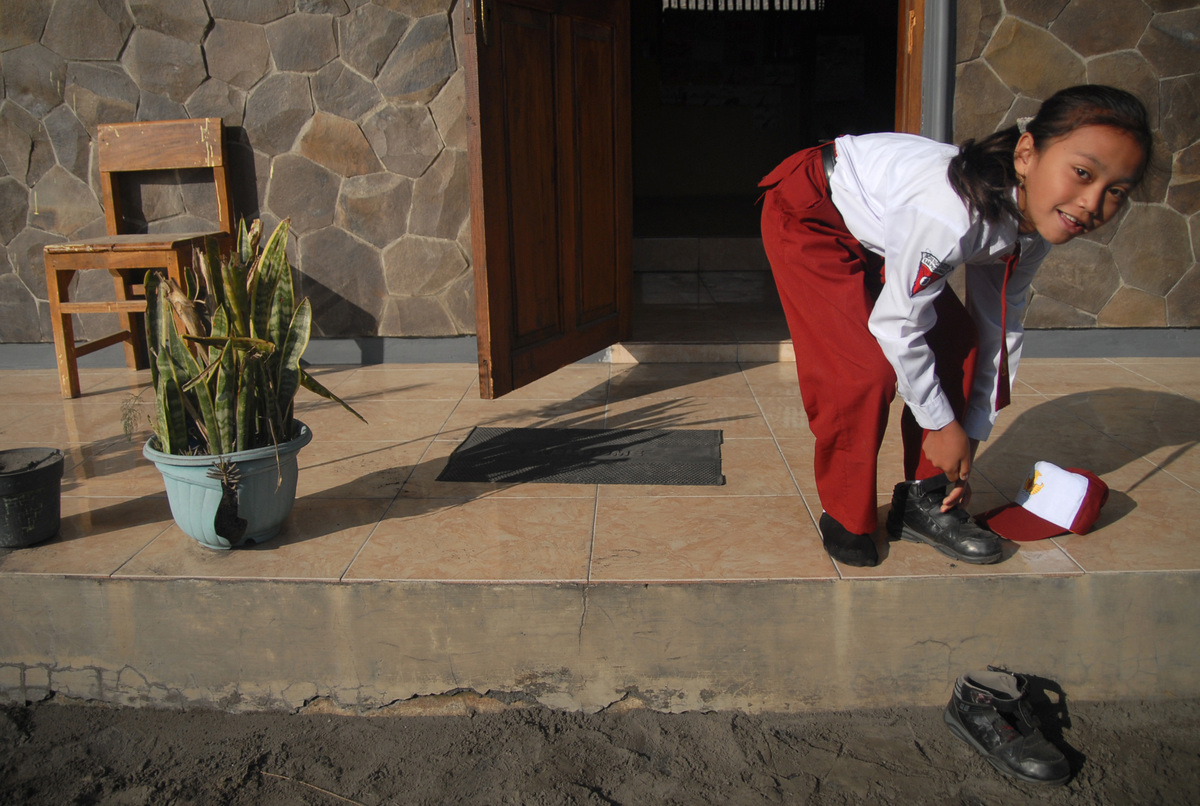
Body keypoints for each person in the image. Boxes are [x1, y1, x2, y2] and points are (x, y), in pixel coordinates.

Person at [758, 85, 1152, 568]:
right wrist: (941, 425)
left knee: (961, 344)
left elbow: (996, 331)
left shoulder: (1032, 232)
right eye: (1082, 173)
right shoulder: (951, 213)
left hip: (886, 228)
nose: (1093, 202)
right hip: (814, 212)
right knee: (862, 373)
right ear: (1027, 153)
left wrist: (969, 436)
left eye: (1116, 191)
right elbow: (897, 326)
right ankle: (845, 516)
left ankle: (928, 499)